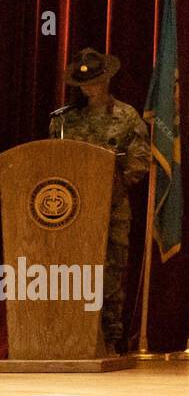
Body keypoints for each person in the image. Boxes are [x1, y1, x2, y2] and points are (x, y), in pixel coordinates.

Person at [49, 48, 150, 354]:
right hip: (71, 211)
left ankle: (109, 338)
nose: (88, 88)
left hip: (112, 207)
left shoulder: (126, 116)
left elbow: (139, 161)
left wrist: (111, 186)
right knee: (72, 269)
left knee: (112, 271)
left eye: (94, 82)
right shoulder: (64, 121)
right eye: (84, 84)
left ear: (106, 81)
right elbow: (50, 162)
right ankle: (69, 335)